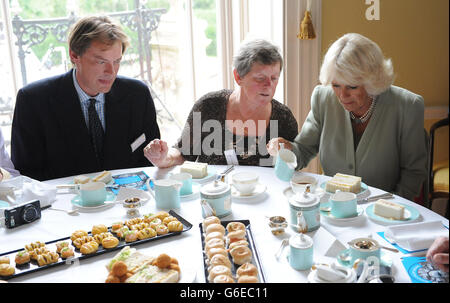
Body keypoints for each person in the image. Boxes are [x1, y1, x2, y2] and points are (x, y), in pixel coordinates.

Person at [267, 33, 427, 201]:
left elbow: (413, 173)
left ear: (373, 81)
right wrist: (287, 149)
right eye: (336, 85)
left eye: (352, 86)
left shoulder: (407, 106)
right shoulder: (323, 98)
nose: (342, 95)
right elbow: (303, 150)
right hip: (332, 207)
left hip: (384, 212)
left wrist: (388, 208)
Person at [11, 16, 160, 181]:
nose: (111, 71)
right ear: (74, 55)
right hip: (63, 203)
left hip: (129, 200)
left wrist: (159, 156)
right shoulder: (33, 101)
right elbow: (26, 175)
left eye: (117, 61)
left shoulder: (137, 95)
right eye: (101, 62)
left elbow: (149, 161)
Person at [144, 39, 298, 168]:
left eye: (274, 78)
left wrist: (288, 149)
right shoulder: (208, 106)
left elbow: (296, 165)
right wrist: (162, 158)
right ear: (238, 77)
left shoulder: (283, 118)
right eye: (260, 78)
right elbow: (182, 153)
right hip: (213, 198)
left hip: (264, 201)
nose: (268, 85)